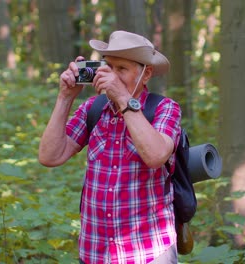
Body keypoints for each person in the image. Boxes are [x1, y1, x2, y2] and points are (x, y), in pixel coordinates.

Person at [38, 31, 181, 264]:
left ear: (147, 74)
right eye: (109, 67)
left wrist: (123, 99)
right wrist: (65, 97)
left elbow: (155, 156)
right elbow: (49, 156)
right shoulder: (93, 109)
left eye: (121, 69)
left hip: (149, 253)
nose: (111, 76)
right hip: (95, 251)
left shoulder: (165, 109)